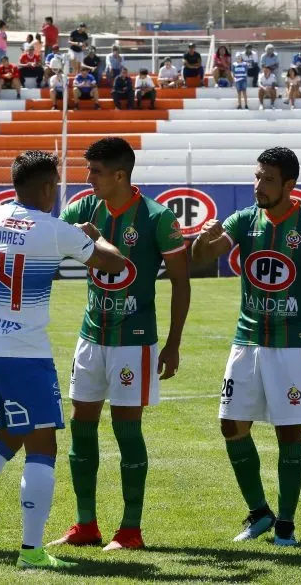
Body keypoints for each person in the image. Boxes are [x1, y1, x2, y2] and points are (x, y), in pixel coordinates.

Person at [0, 150, 126, 569]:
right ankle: (31, 551)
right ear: (47, 188)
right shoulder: (55, 230)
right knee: (43, 447)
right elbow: (115, 265)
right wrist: (94, 235)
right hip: (27, 355)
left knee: (8, 438)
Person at [190, 146, 301, 547]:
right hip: (247, 340)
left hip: (291, 345)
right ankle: (260, 512)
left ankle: (287, 524)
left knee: (288, 433)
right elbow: (203, 255)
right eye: (257, 176)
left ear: (289, 185)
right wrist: (204, 241)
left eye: (268, 179)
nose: (258, 185)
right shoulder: (243, 219)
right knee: (230, 425)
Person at [51, 138, 191, 551]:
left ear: (119, 175)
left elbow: (181, 282)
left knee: (127, 428)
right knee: (81, 426)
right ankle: (85, 525)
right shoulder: (81, 210)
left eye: (94, 171)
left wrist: (173, 344)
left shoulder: (157, 217)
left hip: (135, 341)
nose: (86, 177)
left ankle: (130, 530)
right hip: (91, 336)